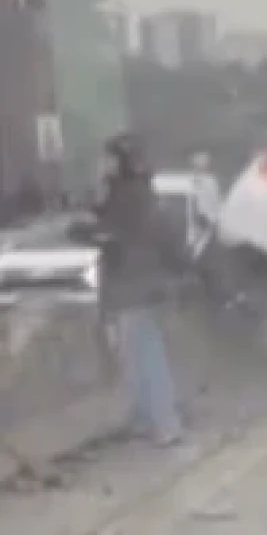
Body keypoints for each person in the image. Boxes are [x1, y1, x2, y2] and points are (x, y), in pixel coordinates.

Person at [94, 133, 186, 447]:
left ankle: (163, 422)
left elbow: (111, 236)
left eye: (107, 158)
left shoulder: (124, 198)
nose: (102, 165)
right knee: (139, 356)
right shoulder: (141, 194)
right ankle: (147, 419)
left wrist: (89, 229)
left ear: (121, 161)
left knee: (146, 356)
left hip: (136, 289)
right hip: (147, 288)